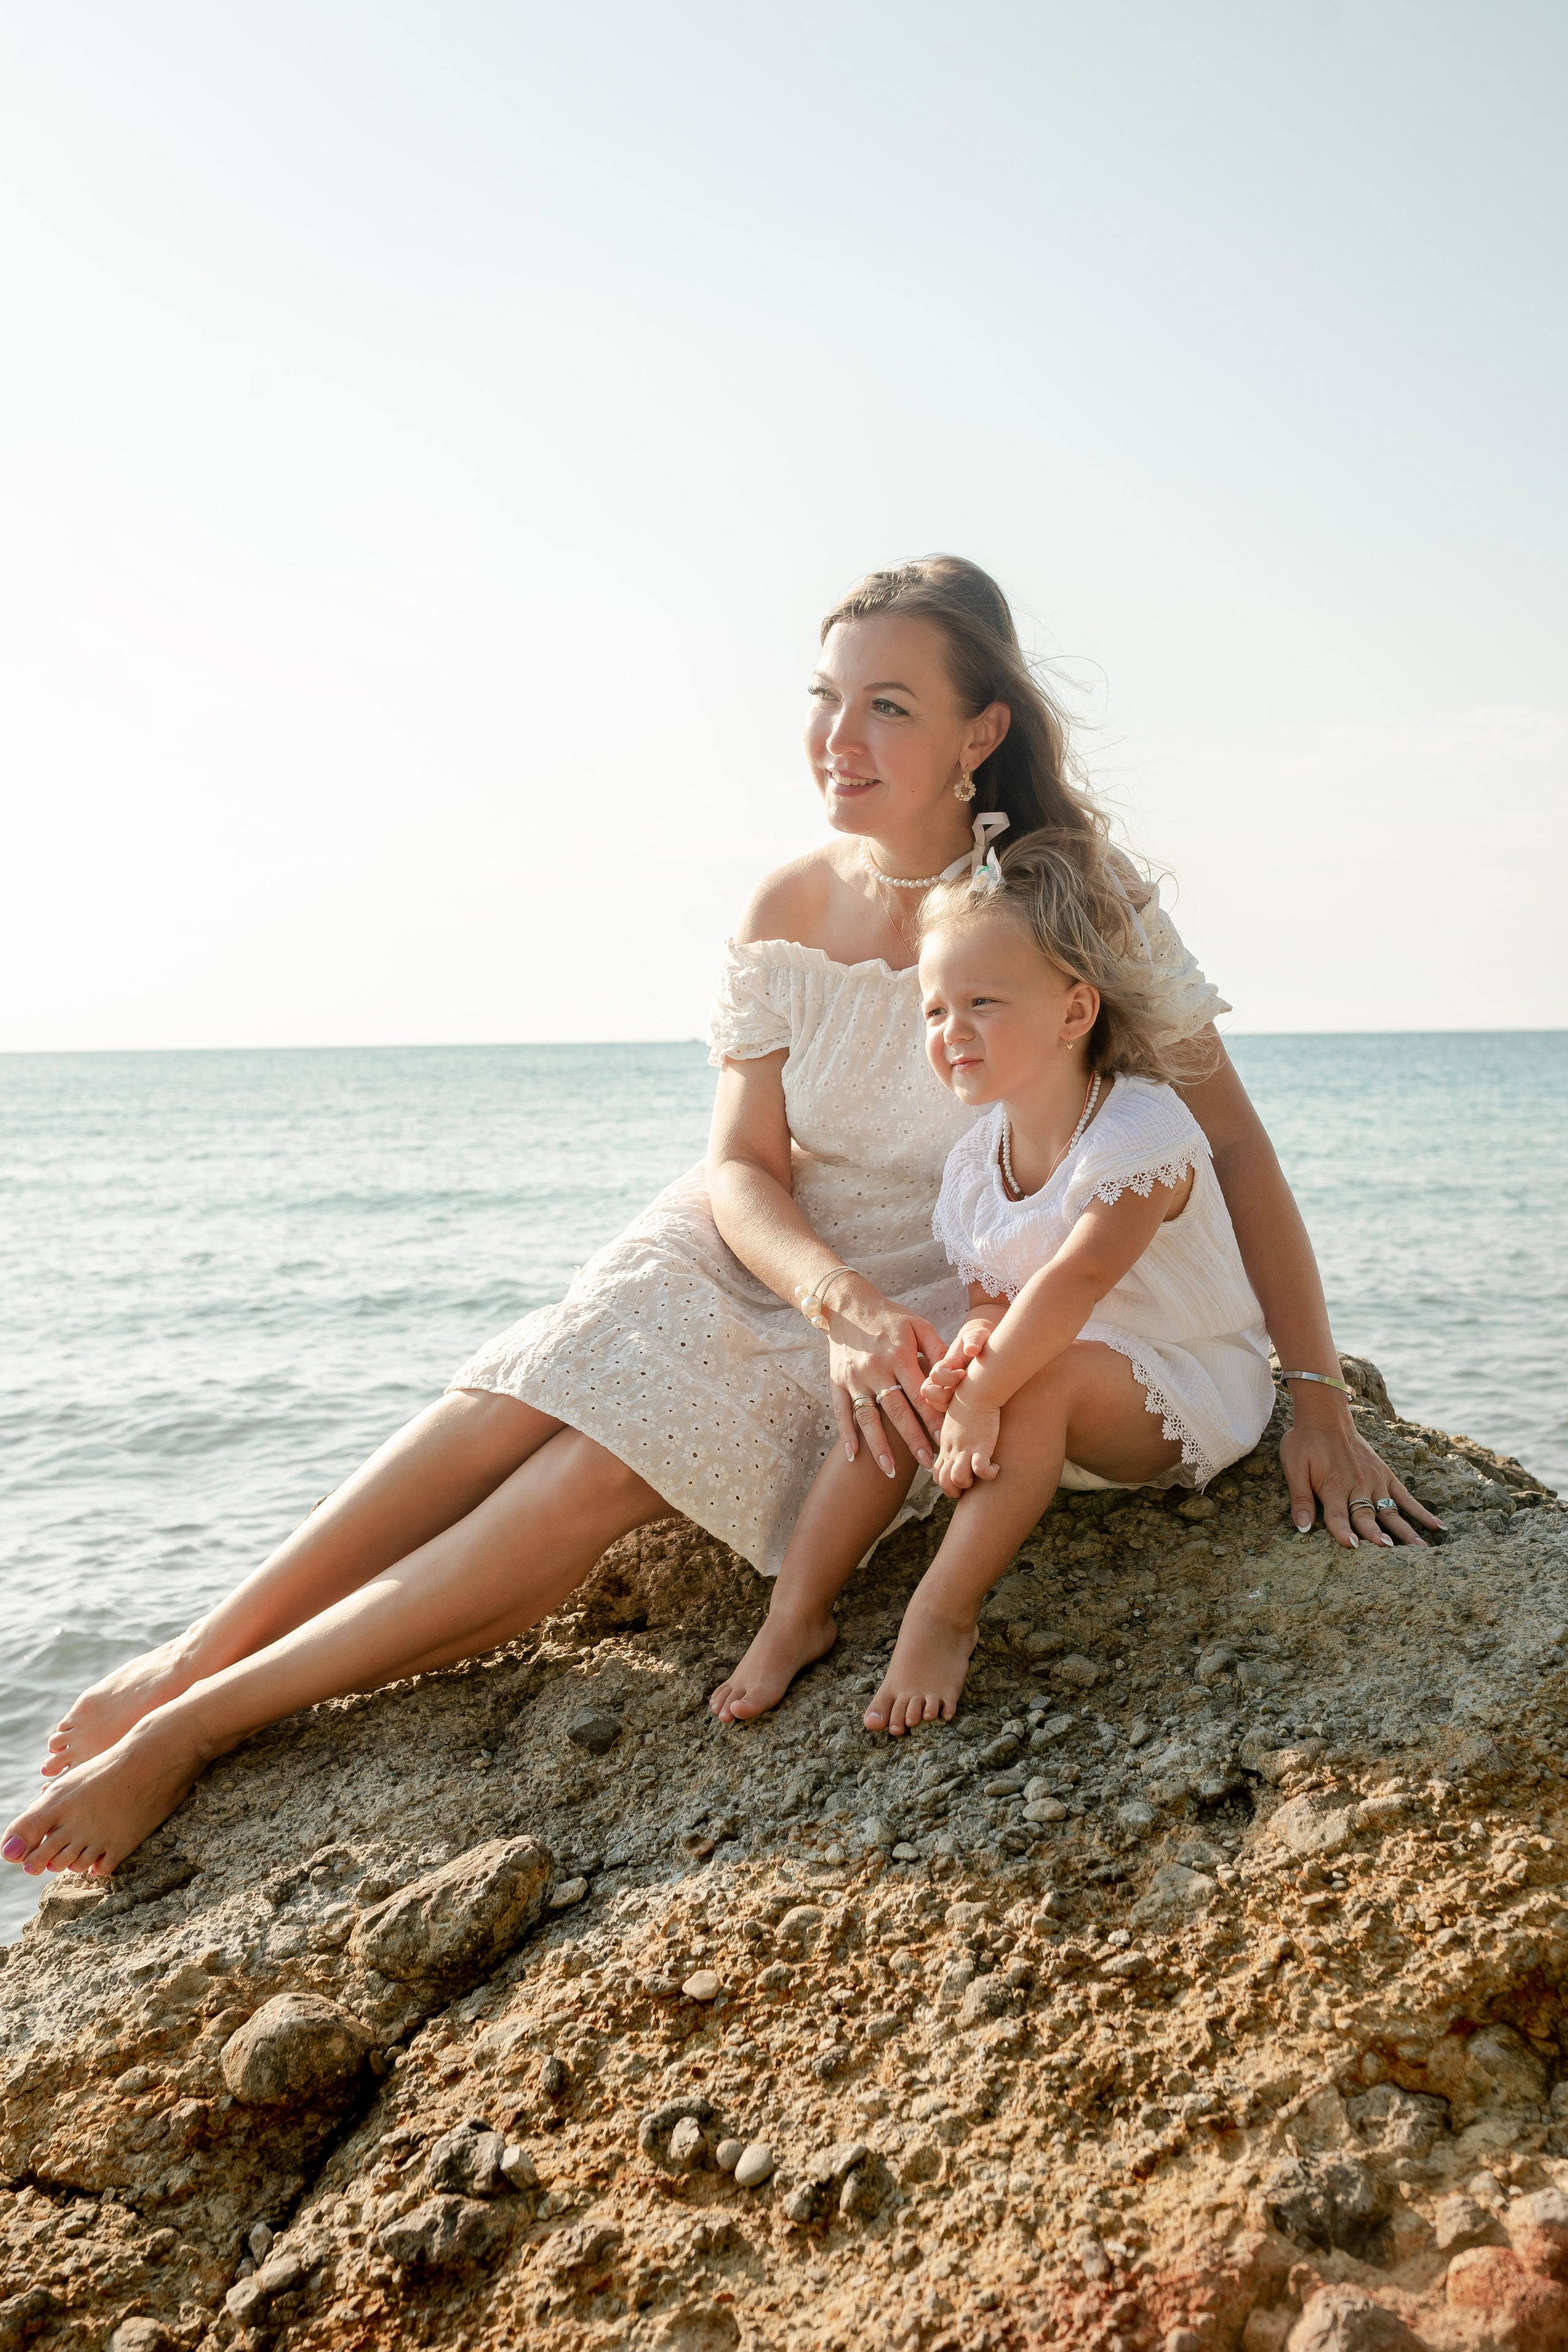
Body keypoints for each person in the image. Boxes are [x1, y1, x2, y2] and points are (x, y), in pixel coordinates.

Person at [1, 556, 1438, 1882]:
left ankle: (199, 1731)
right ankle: (193, 1654)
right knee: (523, 1392)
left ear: (977, 733)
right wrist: (829, 1302)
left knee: (589, 1477)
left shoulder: (1071, 908)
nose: (838, 736)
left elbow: (1229, 1146)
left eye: (886, 704)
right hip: (772, 1242)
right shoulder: (785, 897)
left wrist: (1311, 1395)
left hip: (943, 1275)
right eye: (824, 698)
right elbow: (742, 1163)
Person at [720, 826, 1276, 1736]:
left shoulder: (1141, 1128)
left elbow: (1076, 1280)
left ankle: (942, 1613)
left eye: (983, 1002)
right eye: (935, 1011)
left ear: (1073, 1011)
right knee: (910, 1373)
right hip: (1047, 1380)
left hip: (1174, 1380)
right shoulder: (979, 1158)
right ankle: (797, 1615)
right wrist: (970, 1347)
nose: (953, 1031)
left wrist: (985, 1395)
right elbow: (997, 1291)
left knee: (1026, 1378)